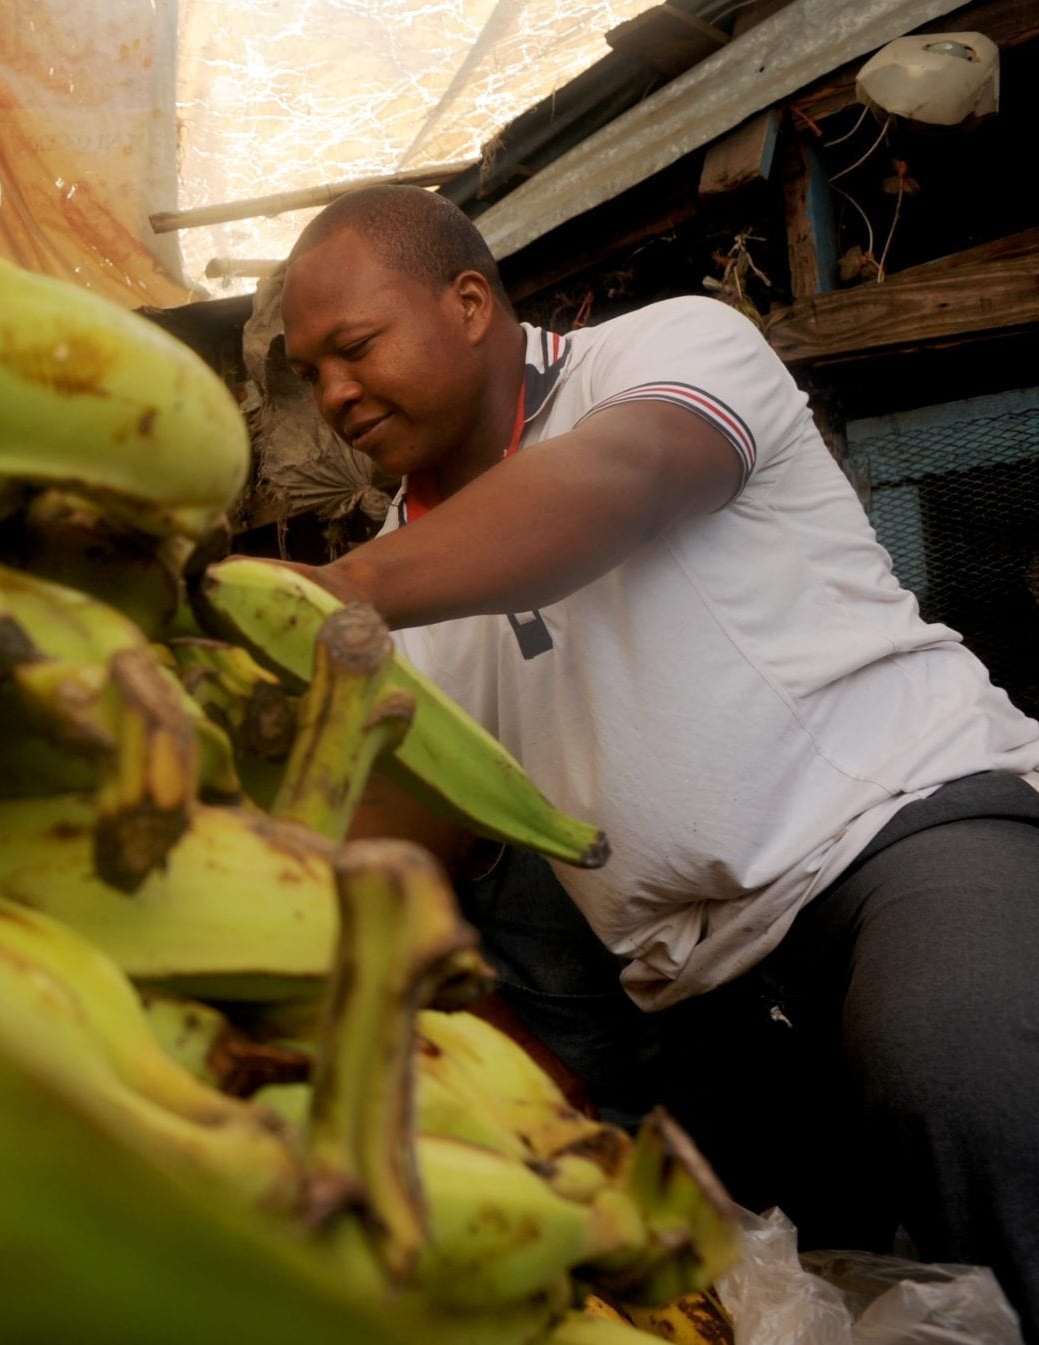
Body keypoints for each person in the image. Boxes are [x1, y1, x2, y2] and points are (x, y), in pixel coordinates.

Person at [272, 183, 1039, 1333]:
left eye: (354, 348)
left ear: (469, 302)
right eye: (309, 372)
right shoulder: (403, 575)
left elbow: (612, 484)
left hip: (898, 841)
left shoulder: (664, 349)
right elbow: (404, 827)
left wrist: (337, 597)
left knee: (958, 1072)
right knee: (700, 1280)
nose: (332, 395)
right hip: (700, 991)